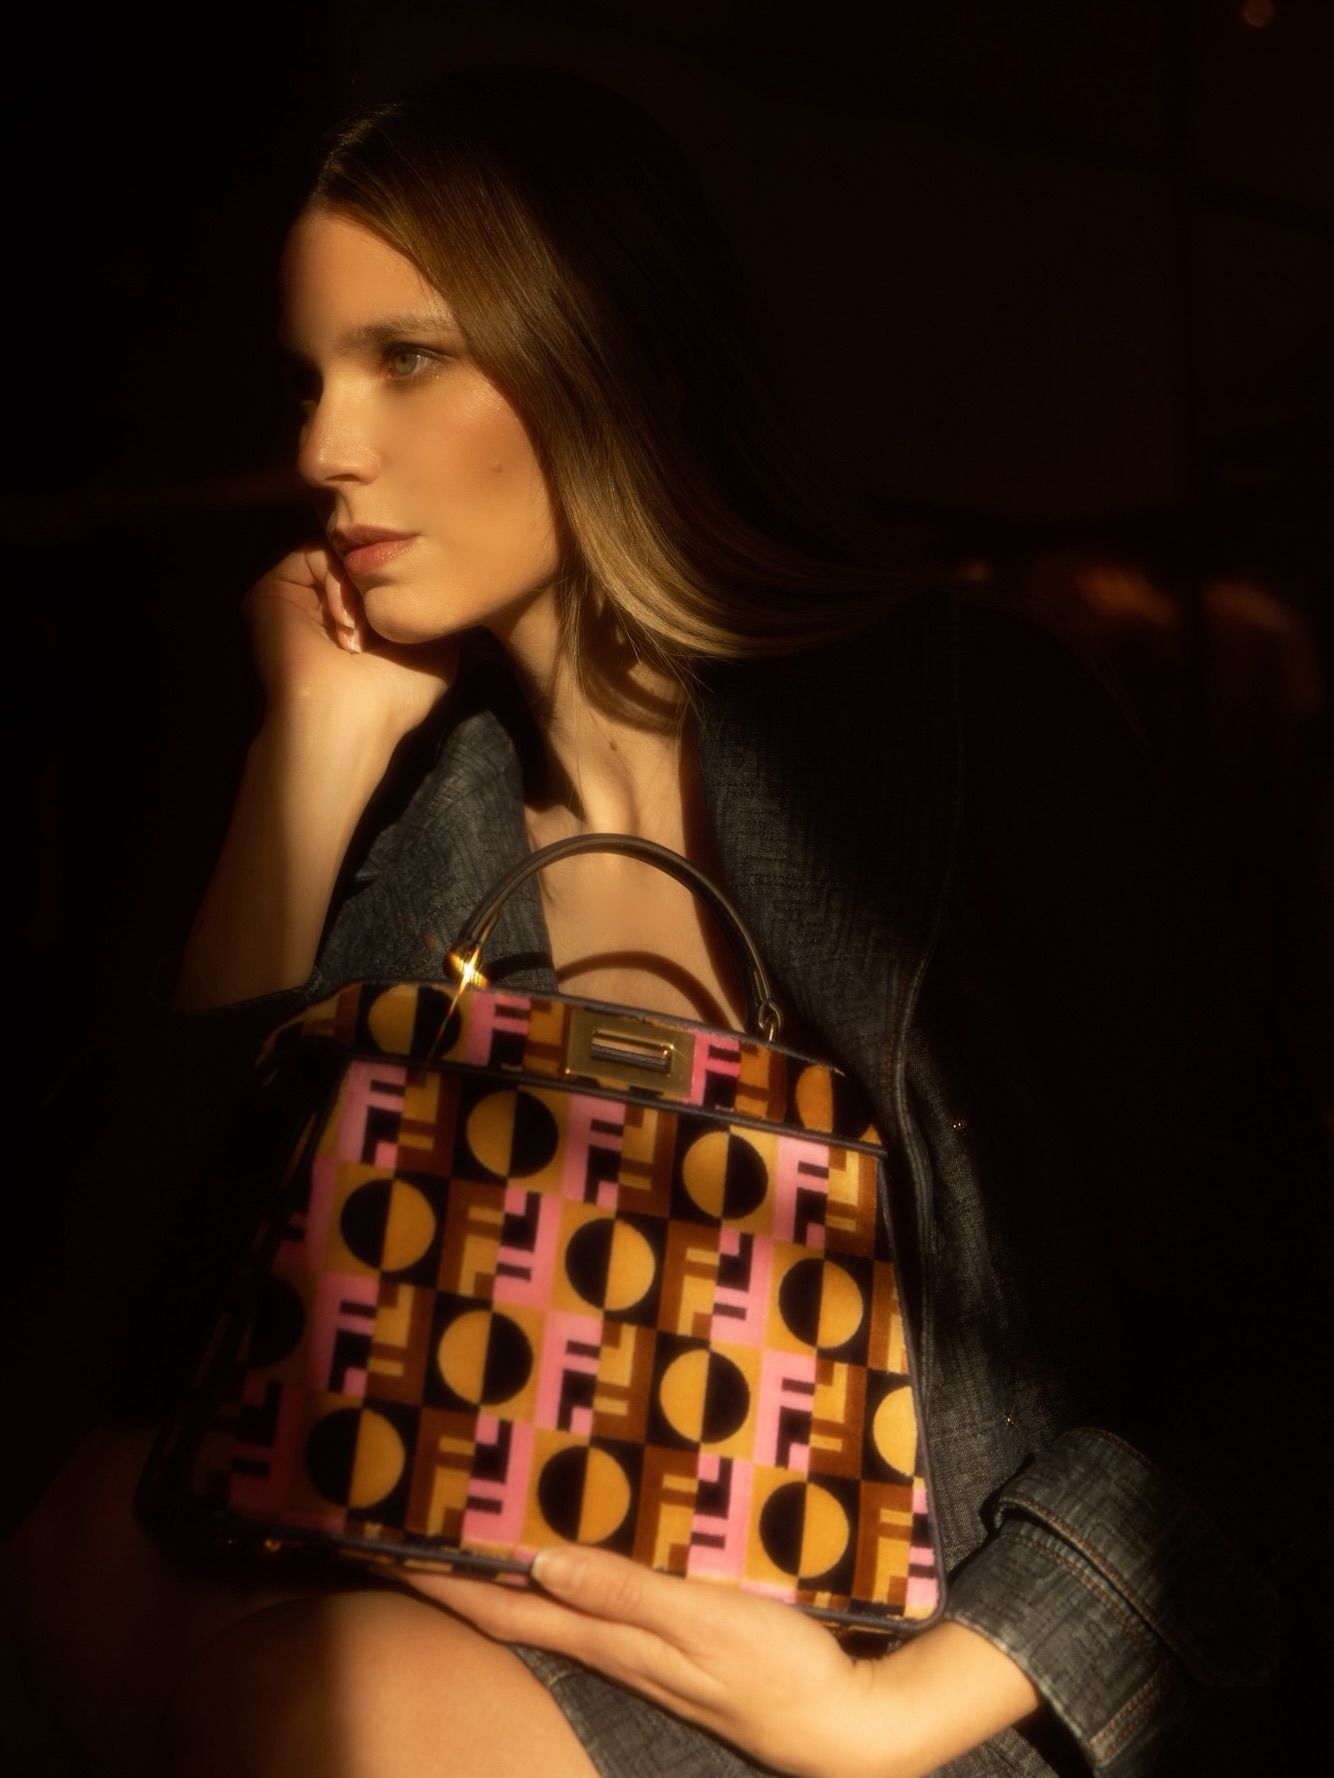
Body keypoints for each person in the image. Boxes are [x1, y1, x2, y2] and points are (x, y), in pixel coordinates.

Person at [9, 66, 1327, 1778]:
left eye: (406, 358)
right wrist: (307, 760)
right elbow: (150, 1343)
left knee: (323, 1702)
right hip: (537, 1591)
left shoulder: (962, 730)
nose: (323, 450)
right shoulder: (436, 816)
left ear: (612, 360)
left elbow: (1276, 1322)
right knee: (93, 1543)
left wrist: (886, 1709)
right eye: (310, 378)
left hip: (928, 1668)